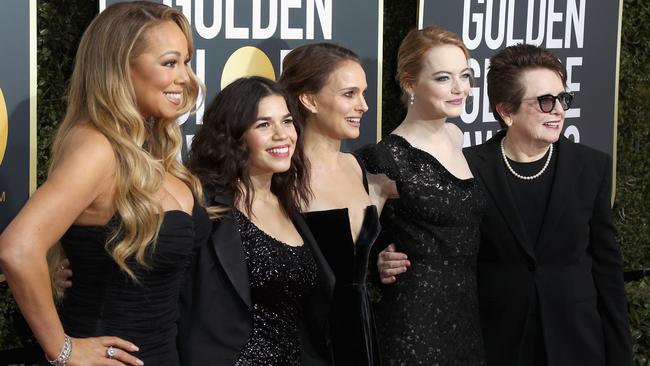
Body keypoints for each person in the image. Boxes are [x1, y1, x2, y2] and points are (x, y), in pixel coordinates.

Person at [0, 2, 209, 365]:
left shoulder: (151, 145)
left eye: (186, 62)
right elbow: (18, 248)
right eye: (170, 63)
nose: (185, 77)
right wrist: (63, 350)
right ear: (120, 67)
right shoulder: (97, 147)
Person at [461, 44, 631, 366]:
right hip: (497, 343)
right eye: (545, 101)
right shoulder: (467, 169)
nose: (558, 110)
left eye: (562, 99)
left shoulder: (592, 168)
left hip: (577, 344)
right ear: (506, 111)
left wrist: (620, 356)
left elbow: (607, 270)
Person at [178, 76, 335, 366]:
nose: (282, 134)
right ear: (233, 135)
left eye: (287, 121)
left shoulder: (290, 204)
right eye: (263, 125)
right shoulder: (202, 204)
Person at [359, 26, 486, 365]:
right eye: (444, 78)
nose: (460, 89)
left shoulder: (457, 137)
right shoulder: (386, 158)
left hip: (466, 320)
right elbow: (352, 246)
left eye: (465, 75)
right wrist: (377, 263)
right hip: (414, 324)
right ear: (410, 82)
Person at [279, 43, 383, 366]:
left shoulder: (355, 166)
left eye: (363, 93)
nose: (364, 105)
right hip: (306, 343)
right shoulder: (281, 178)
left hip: (361, 332)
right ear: (309, 100)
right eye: (349, 94)